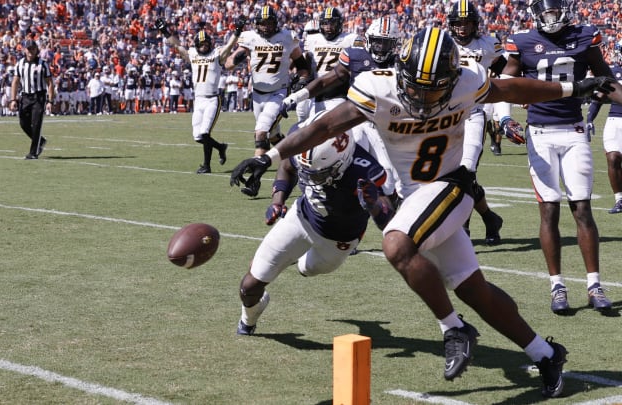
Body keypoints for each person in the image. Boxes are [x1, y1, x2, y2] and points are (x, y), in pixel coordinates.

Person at [231, 27, 615, 397]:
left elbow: (511, 88)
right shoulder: (377, 88)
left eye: (435, 90)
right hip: (415, 195)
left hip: (451, 185)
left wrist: (571, 88)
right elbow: (325, 125)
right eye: (417, 87)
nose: (426, 99)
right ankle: (546, 355)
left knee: (396, 244)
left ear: (453, 78)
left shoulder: (467, 80)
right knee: (473, 290)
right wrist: (269, 156)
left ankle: (453, 329)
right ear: (400, 71)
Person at [498, 0, 622, 314]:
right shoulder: (523, 40)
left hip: (574, 130)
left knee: (582, 208)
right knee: (549, 210)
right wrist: (503, 119)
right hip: (539, 133)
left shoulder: (584, 35)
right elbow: (505, 86)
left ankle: (594, 285)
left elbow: (605, 79)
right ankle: (558, 287)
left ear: (563, 12)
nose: (550, 19)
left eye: (553, 13)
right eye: (544, 15)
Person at [237, 111, 393, 335]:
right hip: (302, 217)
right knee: (250, 286)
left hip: (340, 240)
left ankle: (291, 258)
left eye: (319, 173)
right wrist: (278, 200)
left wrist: (374, 205)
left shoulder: (367, 170)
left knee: (306, 269)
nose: (310, 177)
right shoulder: (303, 139)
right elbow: (288, 167)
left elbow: (390, 219)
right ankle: (248, 320)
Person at [282, 15, 402, 197]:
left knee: (389, 180)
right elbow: (325, 81)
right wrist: (297, 96)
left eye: (386, 43)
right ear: (369, 39)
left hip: (384, 126)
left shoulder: (400, 63)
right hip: (357, 121)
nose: (381, 47)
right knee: (343, 162)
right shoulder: (355, 56)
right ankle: (319, 194)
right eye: (378, 42)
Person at [224, 5, 311, 196]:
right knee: (272, 136)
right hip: (257, 94)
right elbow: (229, 63)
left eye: (269, 22)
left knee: (261, 132)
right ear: (257, 24)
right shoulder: (249, 38)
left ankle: (254, 181)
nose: (266, 27)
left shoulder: (287, 37)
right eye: (262, 23)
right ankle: (297, 157)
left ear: (276, 23)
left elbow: (302, 64)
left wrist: (303, 79)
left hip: (278, 93)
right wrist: (235, 59)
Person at [447, 0, 506, 245]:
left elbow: (507, 69)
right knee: (454, 176)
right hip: (446, 117)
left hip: (473, 114)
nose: (462, 28)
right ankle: (490, 218)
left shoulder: (488, 44)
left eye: (467, 23)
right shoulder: (443, 43)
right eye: (458, 23)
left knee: (466, 173)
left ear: (475, 24)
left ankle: (464, 230)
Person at [155, 17, 245, 173]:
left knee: (205, 133)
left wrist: (237, 31)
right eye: (201, 44)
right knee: (198, 136)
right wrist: (164, 31)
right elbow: (177, 46)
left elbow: (230, 45)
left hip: (212, 99)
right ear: (197, 45)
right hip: (199, 100)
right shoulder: (193, 55)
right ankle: (221, 147)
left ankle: (206, 165)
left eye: (206, 44)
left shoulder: (217, 54)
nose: (204, 46)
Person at [295, 7, 361, 119]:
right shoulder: (313, 39)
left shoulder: (351, 39)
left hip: (338, 92)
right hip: (317, 92)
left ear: (339, 24)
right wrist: (303, 78)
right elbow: (307, 62)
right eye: (325, 24)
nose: (328, 27)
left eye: (332, 24)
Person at [586, 46, 622, 214]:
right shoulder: (613, 71)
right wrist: (589, 118)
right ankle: (619, 199)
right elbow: (600, 95)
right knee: (613, 158)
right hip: (614, 119)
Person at [9, 39, 55, 160]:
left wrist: (50, 101)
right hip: (25, 96)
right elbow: (15, 81)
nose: (30, 51)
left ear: (36, 50)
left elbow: (50, 83)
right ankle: (41, 141)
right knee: (23, 123)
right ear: (24, 50)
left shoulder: (43, 64)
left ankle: (33, 152)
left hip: (39, 97)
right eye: (28, 49)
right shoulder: (20, 64)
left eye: (33, 49)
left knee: (36, 124)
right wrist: (13, 99)